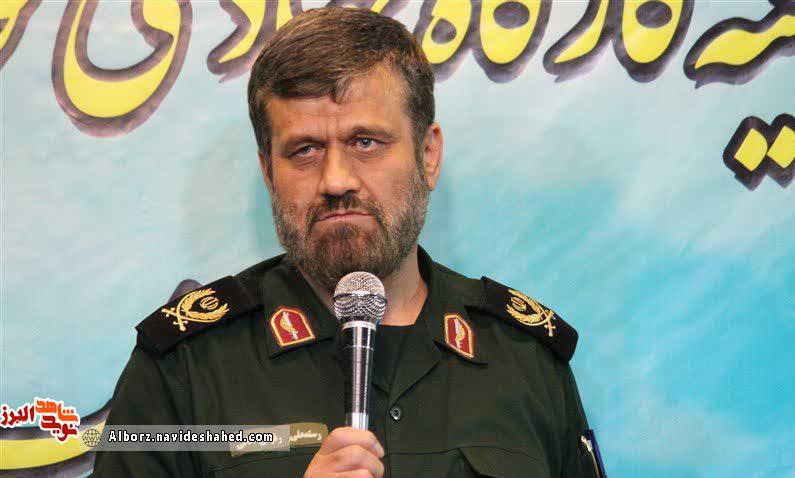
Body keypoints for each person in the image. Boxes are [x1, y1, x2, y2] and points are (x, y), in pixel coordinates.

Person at [92, 6, 603, 478]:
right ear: (268, 171)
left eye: (366, 142)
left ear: (428, 155)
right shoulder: (184, 366)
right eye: (305, 150)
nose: (336, 180)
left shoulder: (525, 358)